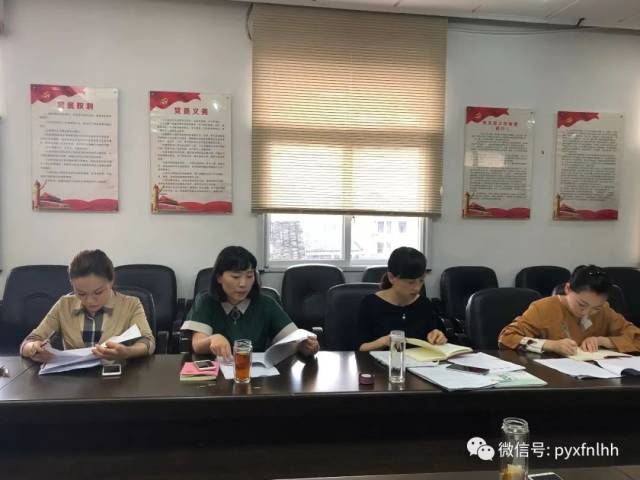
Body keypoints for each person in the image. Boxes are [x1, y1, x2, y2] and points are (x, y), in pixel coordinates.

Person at [182, 246, 319, 359]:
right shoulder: (206, 301)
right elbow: (197, 345)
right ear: (219, 277)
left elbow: (293, 338)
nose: (243, 284)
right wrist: (212, 339)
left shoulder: (266, 303)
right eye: (236, 276)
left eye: (249, 276)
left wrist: (305, 346)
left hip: (255, 373)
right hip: (216, 374)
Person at [20, 249, 156, 362]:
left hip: (117, 377)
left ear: (111, 281)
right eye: (81, 293)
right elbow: (29, 341)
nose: (90, 301)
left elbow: (148, 341)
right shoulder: (64, 305)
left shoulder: (131, 304)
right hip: (74, 379)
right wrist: (33, 348)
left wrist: (127, 352)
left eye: (98, 292)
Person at [499, 265, 640, 356]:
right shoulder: (543, 308)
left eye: (596, 308)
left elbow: (636, 337)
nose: (586, 313)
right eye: (582, 304)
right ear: (568, 289)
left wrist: (603, 341)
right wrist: (551, 345)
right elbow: (507, 338)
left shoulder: (604, 311)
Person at [356, 246, 447, 351]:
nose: (417, 288)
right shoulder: (370, 304)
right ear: (391, 277)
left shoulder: (424, 304)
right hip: (380, 360)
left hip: (419, 361)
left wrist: (438, 337)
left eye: (421, 281)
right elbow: (360, 348)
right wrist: (383, 342)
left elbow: (434, 335)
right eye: (410, 282)